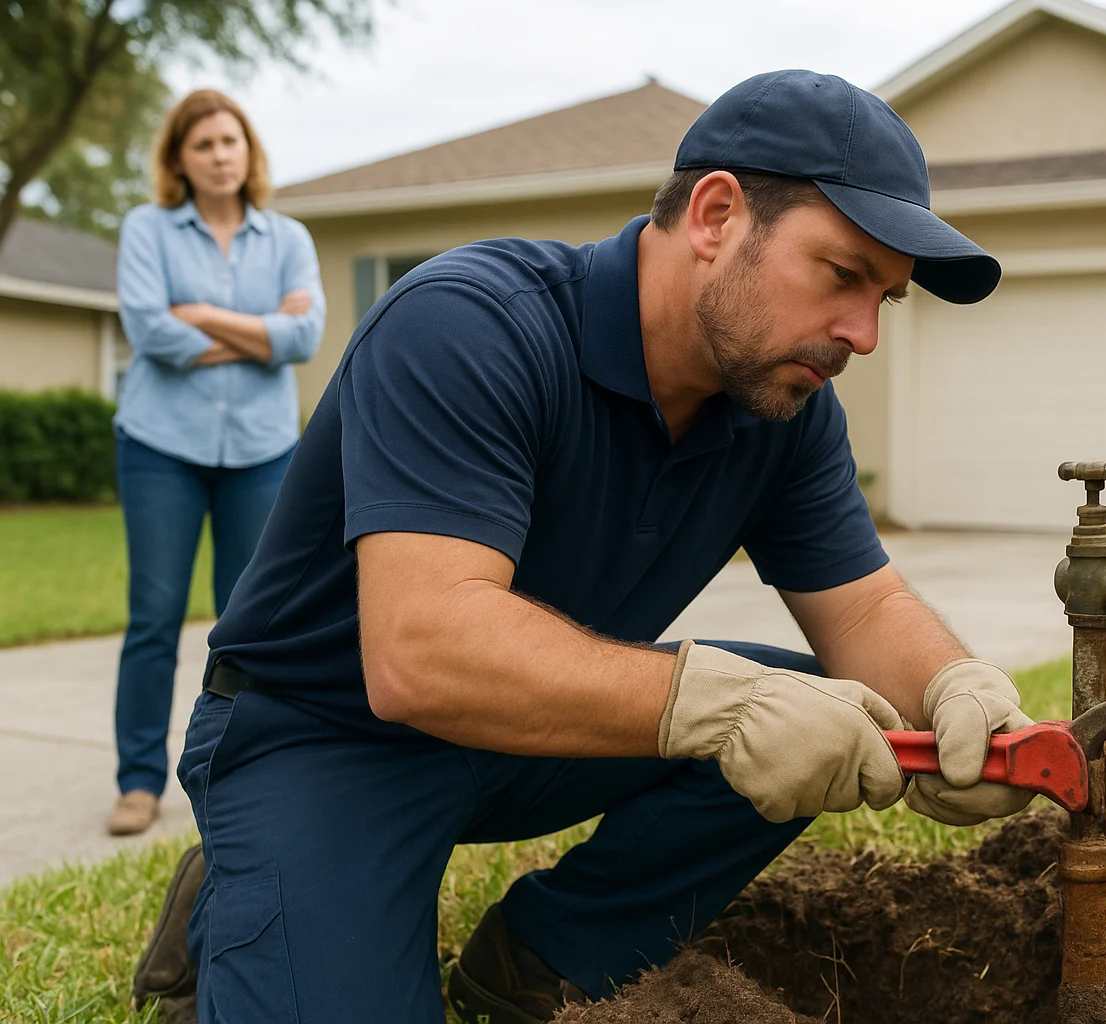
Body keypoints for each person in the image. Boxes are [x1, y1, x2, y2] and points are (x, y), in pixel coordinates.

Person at [140, 70, 1035, 1023]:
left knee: (818, 704)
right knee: (750, 706)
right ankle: (257, 875)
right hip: (322, 734)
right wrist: (716, 706)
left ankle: (540, 960)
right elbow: (420, 652)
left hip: (528, 730)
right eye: (844, 274)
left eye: (886, 300)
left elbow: (861, 609)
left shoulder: (783, 405)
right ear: (717, 215)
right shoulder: (471, 325)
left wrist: (951, 688)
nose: (860, 333)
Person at [108, 89, 325, 837]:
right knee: (154, 615)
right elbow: (149, 333)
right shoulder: (147, 230)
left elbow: (305, 340)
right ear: (179, 160)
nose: (219, 154)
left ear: (248, 150)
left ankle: (243, 770)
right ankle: (138, 780)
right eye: (202, 144)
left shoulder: (288, 237)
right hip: (159, 447)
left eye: (230, 140)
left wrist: (197, 315)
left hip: (262, 453)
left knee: (251, 619)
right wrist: (262, 331)